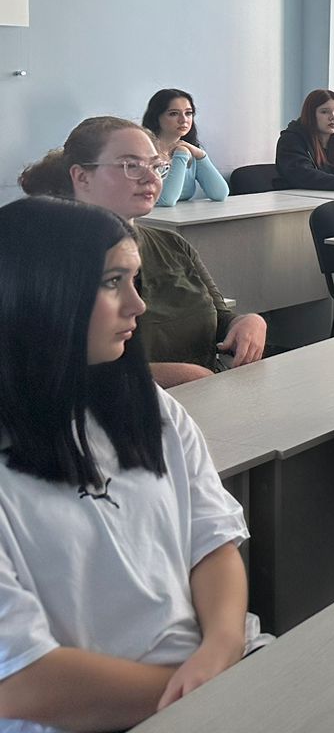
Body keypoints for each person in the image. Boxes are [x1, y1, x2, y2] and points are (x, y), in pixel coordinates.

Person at [0, 196, 269, 731]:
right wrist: (204, 688)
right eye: (111, 282)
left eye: (134, 280)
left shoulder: (149, 405)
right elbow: (21, 682)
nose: (138, 305)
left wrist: (220, 649)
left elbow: (212, 544)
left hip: (216, 676)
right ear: (37, 292)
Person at [18, 118, 268, 387]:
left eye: (156, 166)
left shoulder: (171, 243)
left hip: (204, 394)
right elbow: (49, 368)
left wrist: (246, 322)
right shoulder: (48, 258)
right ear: (82, 177)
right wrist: (162, 378)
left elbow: (220, 318)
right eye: (131, 166)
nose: (151, 178)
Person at [141, 89, 229, 207]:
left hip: (182, 216)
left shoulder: (192, 151)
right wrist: (181, 154)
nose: (183, 120)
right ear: (156, 117)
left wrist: (201, 155)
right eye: (173, 114)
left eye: (188, 113)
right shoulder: (143, 154)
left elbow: (220, 194)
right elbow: (166, 200)